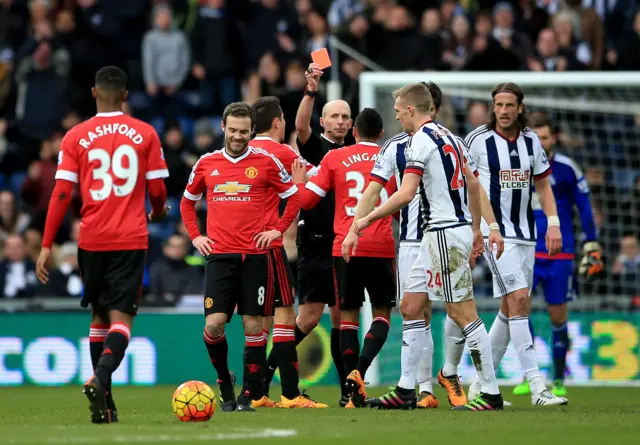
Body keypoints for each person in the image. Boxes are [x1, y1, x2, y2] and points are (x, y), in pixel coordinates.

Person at [346, 83, 504, 411]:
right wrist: (476, 228)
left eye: (398, 112)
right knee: (410, 306)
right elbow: (473, 185)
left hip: (444, 234)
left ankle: (490, 391)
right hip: (439, 235)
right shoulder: (452, 138)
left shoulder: (419, 140)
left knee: (462, 312)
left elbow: (404, 194)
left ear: (411, 111)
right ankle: (406, 389)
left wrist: (364, 220)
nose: (397, 119)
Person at [35, 66, 170, 423]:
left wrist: (47, 244)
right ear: (125, 96)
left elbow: (63, 192)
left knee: (97, 315)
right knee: (121, 318)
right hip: (130, 237)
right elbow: (158, 190)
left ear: (94, 93)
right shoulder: (144, 133)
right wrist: (157, 212)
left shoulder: (75, 136)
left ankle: (105, 407)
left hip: (91, 239)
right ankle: (101, 376)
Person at [179, 102, 302, 413]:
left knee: (253, 325)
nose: (237, 136)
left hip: (254, 257)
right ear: (223, 127)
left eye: (243, 131)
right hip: (219, 256)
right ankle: (224, 380)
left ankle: (249, 394)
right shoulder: (207, 163)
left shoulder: (266, 161)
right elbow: (186, 203)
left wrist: (276, 230)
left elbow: (294, 196)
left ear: (251, 131)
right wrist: (196, 237)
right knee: (215, 324)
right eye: (232, 130)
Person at [464, 83, 568, 406]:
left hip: (526, 234)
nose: (504, 111)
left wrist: (553, 223)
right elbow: (468, 186)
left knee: (510, 310)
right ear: (493, 107)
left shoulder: (531, 141)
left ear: (520, 108)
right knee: (520, 299)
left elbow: (543, 185)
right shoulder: (477, 141)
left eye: (510, 105)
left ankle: (481, 386)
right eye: (499, 105)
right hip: (497, 233)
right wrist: (476, 229)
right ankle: (537, 387)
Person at [296, 108, 396, 408]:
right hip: (381, 246)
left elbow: (307, 200)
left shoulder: (335, 158)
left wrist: (300, 181)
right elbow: (404, 200)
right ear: (380, 134)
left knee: (347, 318)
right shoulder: (391, 156)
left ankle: (352, 381)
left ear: (354, 131)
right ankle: (359, 374)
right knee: (381, 315)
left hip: (346, 247)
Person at [510, 114, 601, 398]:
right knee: (519, 309)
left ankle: (559, 377)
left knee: (557, 314)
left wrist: (592, 242)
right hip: (526, 247)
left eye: (545, 137)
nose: (541, 142)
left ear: (554, 139)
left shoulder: (566, 168)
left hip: (560, 251)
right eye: (536, 137)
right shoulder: (517, 165)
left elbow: (584, 208)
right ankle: (531, 375)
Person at [249, 96, 327, 408]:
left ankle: (254, 393)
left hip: (241, 245)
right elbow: (320, 176)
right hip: (272, 244)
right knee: (284, 318)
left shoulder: (241, 152)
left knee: (258, 323)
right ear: (278, 122)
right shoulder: (282, 152)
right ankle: (291, 394)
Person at [294, 62, 353, 405]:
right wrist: (311, 90)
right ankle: (264, 375)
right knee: (310, 318)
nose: (341, 122)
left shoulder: (354, 152)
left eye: (345, 117)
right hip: (316, 242)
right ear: (323, 122)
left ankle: (348, 390)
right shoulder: (316, 147)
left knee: (341, 318)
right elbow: (300, 125)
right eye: (335, 117)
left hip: (342, 243)